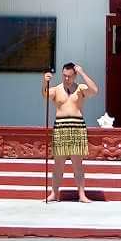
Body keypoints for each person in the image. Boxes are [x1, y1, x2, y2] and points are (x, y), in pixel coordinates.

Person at [43, 62, 98, 202]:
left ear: (74, 76)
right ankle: (54, 194)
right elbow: (45, 95)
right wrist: (45, 82)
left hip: (77, 125)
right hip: (61, 126)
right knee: (58, 164)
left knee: (77, 163)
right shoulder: (56, 89)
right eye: (64, 76)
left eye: (69, 76)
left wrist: (82, 73)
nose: (66, 78)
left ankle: (82, 194)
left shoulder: (80, 88)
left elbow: (94, 90)